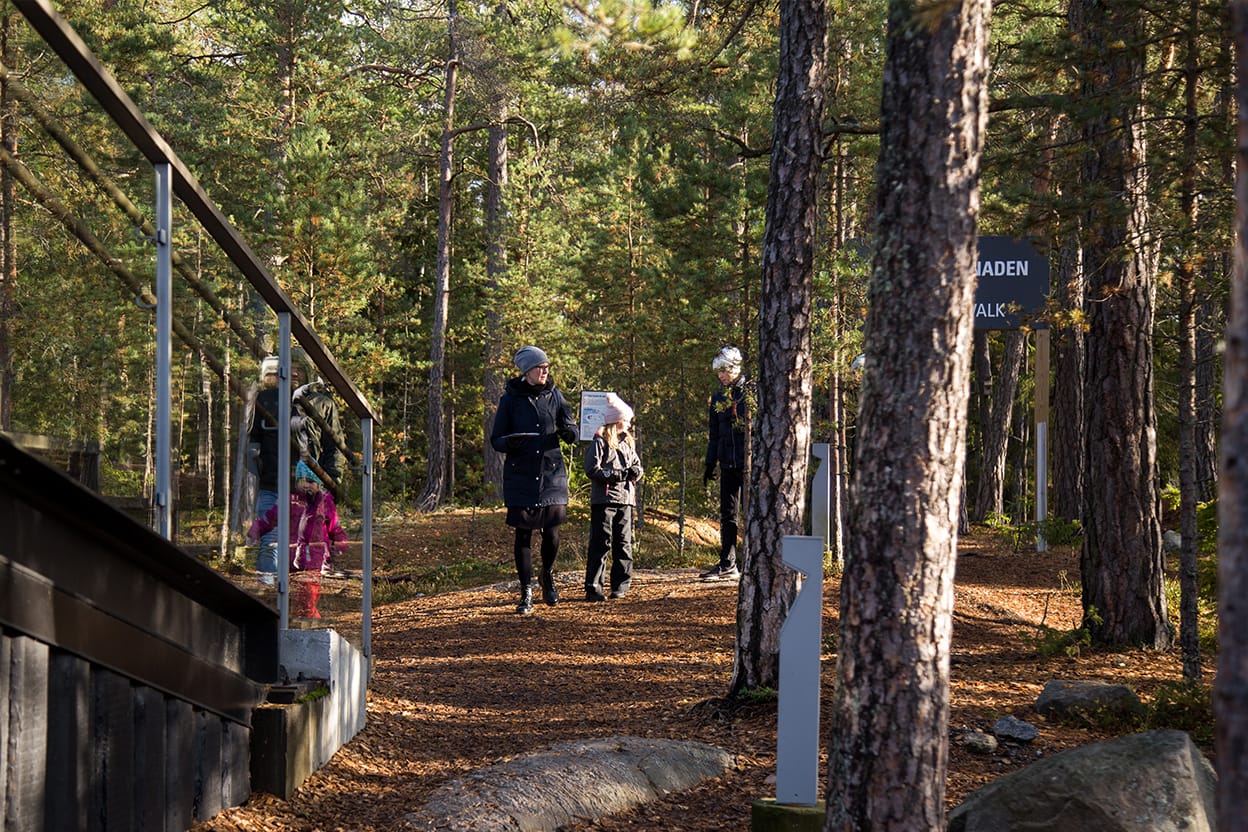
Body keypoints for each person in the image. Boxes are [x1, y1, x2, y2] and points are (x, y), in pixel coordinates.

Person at [489, 345, 579, 614]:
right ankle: (525, 590)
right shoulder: (510, 400)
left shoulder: (555, 395)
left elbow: (571, 425)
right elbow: (497, 439)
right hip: (521, 475)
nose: (545, 371)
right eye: (541, 367)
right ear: (527, 371)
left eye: (547, 367)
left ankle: (547, 575)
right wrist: (511, 442)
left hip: (552, 475)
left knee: (552, 533)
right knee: (524, 535)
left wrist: (570, 433)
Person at [247, 460, 349, 619]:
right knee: (294, 596)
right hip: (291, 559)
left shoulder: (325, 502)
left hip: (314, 560)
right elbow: (270, 518)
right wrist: (255, 530)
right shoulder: (290, 501)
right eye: (303, 481)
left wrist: (340, 542)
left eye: (311, 482)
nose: (307, 486)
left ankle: (310, 622)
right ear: (297, 483)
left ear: (318, 484)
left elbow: (334, 526)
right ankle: (299, 621)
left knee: (308, 595)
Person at [583, 393, 643, 601]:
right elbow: (591, 469)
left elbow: (637, 466)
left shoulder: (627, 443)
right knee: (601, 543)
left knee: (624, 544)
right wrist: (614, 475)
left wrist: (635, 471)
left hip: (625, 500)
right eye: (626, 420)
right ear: (616, 421)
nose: (628, 424)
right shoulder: (599, 441)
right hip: (605, 500)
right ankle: (593, 586)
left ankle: (621, 585)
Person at [701, 346, 750, 581]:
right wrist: (710, 463)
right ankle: (728, 563)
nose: (721, 376)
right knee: (728, 515)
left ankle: (752, 561)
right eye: (718, 371)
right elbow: (714, 434)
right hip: (727, 464)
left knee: (752, 513)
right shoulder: (718, 398)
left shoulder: (751, 393)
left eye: (724, 370)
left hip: (749, 464)